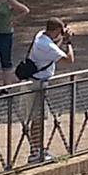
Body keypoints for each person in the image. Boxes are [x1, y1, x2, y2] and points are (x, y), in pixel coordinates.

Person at [25, 19, 73, 163]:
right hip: (37, 85)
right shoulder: (46, 45)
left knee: (38, 117)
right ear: (57, 30)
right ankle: (36, 152)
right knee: (38, 118)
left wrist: (62, 39)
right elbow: (69, 59)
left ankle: (37, 150)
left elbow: (53, 48)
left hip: (34, 82)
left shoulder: (41, 36)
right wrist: (68, 43)